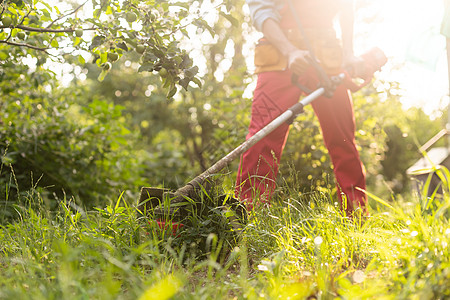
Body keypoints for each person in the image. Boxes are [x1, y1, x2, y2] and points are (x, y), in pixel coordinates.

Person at [234, 0, 368, 214]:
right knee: (262, 137)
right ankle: (248, 214)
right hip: (279, 53)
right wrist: (290, 51)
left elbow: (346, 6)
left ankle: (357, 217)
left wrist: (349, 53)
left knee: (342, 139)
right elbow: (261, 8)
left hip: (327, 55)